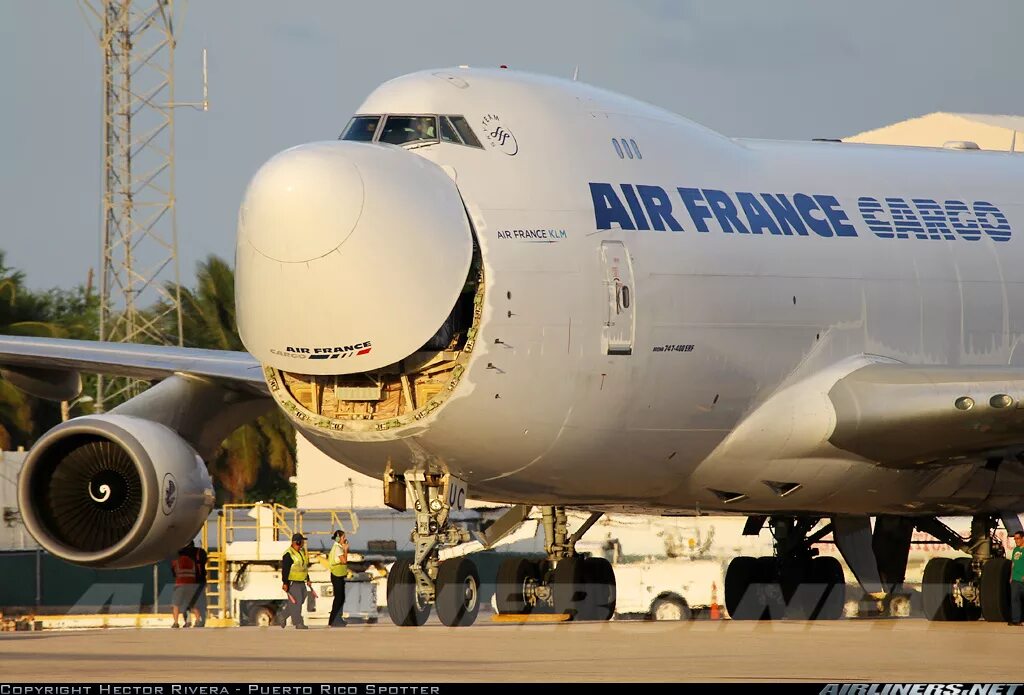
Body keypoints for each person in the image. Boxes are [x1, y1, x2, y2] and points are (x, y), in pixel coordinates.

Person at [281, 533, 312, 629]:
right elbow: (285, 570)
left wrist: (308, 579)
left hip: (301, 581)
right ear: (297, 542)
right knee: (297, 603)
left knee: (300, 600)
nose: (303, 543)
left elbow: (303, 567)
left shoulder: (300, 552)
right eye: (302, 541)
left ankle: (283, 615)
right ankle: (298, 623)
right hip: (293, 582)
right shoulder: (288, 554)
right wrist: (285, 583)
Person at [170, 543, 201, 629]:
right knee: (193, 604)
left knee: (175, 605)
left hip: (180, 585)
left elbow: (173, 572)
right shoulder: (192, 561)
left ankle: (176, 623)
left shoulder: (176, 561)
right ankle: (198, 621)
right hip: (191, 585)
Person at [328, 530, 350, 627]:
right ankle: (333, 619)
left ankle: (338, 618)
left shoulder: (338, 547)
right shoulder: (338, 549)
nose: (345, 539)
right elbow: (344, 561)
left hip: (339, 575)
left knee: (341, 598)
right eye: (343, 537)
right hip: (337, 576)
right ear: (338, 538)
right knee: (338, 598)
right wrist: (346, 550)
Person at [187, 541, 209, 627]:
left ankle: (190, 620)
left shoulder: (184, 553)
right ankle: (201, 620)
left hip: (190, 581)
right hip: (201, 580)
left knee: (190, 601)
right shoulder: (201, 552)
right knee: (201, 600)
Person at [1010, 531, 1024, 625]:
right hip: (1015, 578)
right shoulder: (1016, 550)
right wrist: (1011, 576)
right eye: (1015, 539)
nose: (1016, 541)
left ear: (1023, 538)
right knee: (1015, 599)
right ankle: (1016, 620)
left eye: (1018, 538)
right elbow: (1013, 564)